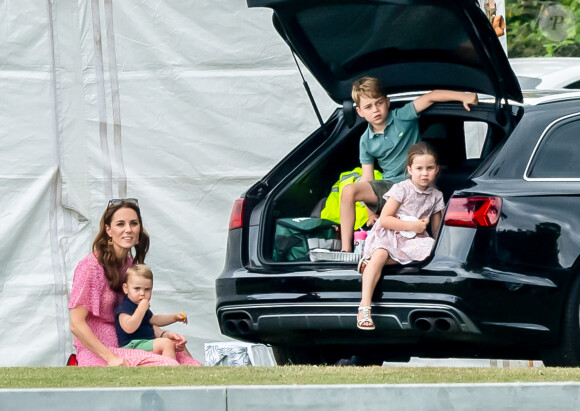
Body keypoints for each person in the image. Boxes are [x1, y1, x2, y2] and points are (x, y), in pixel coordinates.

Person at [340, 76, 478, 252]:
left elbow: (431, 97)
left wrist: (463, 97)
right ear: (360, 112)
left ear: (387, 102)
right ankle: (346, 250)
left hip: (415, 183)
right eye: (368, 107)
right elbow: (368, 178)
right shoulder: (365, 140)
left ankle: (440, 251)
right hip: (389, 189)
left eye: (379, 103)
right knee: (348, 191)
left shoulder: (402, 116)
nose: (375, 109)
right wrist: (371, 213)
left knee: (431, 208)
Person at [69, 198, 202, 366]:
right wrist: (111, 358)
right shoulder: (91, 266)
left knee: (191, 363)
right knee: (168, 365)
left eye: (133, 223)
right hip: (100, 350)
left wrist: (163, 335)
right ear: (108, 230)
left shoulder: (131, 266)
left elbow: (139, 316)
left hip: (131, 342)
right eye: (120, 224)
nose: (128, 230)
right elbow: (76, 324)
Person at [356, 142, 445, 330]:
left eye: (429, 168)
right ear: (409, 170)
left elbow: (437, 230)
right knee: (380, 253)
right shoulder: (401, 189)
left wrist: (440, 246)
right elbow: (386, 219)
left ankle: (370, 263)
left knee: (430, 249)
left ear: (436, 170)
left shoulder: (436, 196)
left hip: (413, 239)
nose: (424, 173)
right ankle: (364, 307)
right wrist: (412, 225)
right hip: (390, 233)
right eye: (419, 168)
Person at [115, 264, 189, 360]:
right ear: (126, 288)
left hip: (146, 342)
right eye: (137, 289)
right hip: (132, 345)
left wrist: (174, 317)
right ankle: (170, 369)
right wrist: (141, 309)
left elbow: (155, 319)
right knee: (166, 343)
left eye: (147, 289)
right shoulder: (125, 306)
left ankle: (192, 366)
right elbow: (129, 327)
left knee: (173, 342)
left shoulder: (141, 306)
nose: (142, 293)